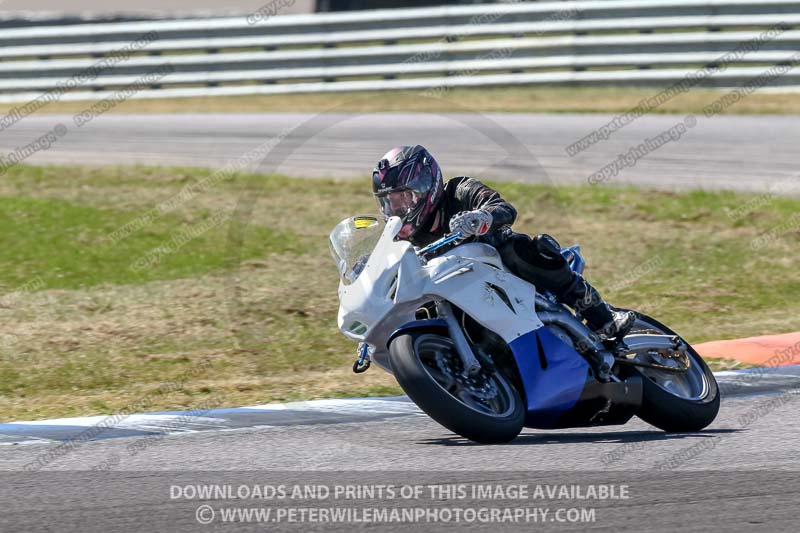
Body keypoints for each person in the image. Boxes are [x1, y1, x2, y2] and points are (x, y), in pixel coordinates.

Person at [372, 144, 635, 341]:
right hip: (459, 292)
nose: (397, 208)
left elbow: (503, 207)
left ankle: (604, 317)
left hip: (502, 271)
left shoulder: (459, 190)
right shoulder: (398, 237)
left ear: (427, 185)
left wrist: (481, 216)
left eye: (403, 198)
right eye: (389, 201)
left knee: (520, 250)